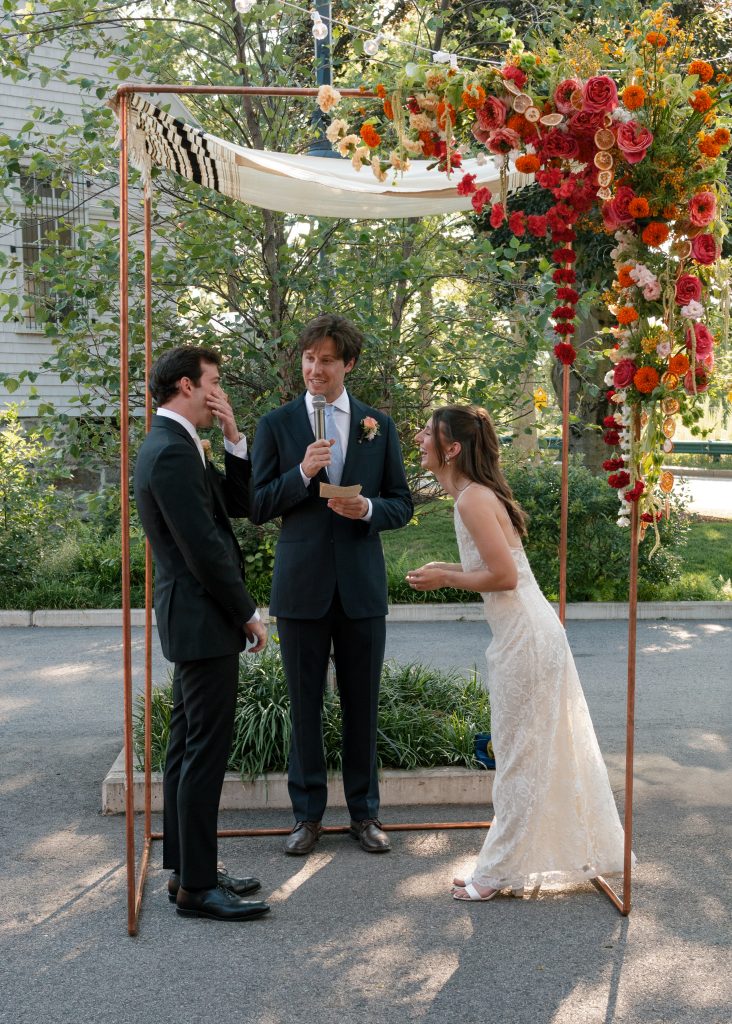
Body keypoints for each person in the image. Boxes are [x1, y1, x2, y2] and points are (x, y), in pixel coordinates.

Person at [406, 405, 630, 902]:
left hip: (526, 639)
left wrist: (445, 577)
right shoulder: (473, 495)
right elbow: (499, 566)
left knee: (516, 757)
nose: (420, 438)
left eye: (429, 432)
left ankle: (494, 871)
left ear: (453, 448)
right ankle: (503, 862)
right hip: (525, 633)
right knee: (523, 752)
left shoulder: (471, 500)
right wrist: (444, 565)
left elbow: (503, 577)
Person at [251, 314, 413, 855]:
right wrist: (300, 474)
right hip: (301, 587)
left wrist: (366, 507)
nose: (314, 368)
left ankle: (364, 816)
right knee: (304, 705)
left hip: (361, 586)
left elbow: (402, 501)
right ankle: (307, 817)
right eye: (308, 358)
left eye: (325, 359)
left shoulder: (377, 425)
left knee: (362, 704)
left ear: (348, 364)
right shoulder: (276, 425)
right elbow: (257, 505)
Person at [134, 345, 270, 922]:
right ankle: (195, 888)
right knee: (203, 754)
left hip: (195, 619)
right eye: (214, 383)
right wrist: (246, 613)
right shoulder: (168, 451)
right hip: (203, 618)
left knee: (187, 748)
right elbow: (204, 550)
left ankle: (189, 871)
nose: (219, 394)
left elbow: (238, 506)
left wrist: (235, 433)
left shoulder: (180, 443)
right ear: (187, 385)